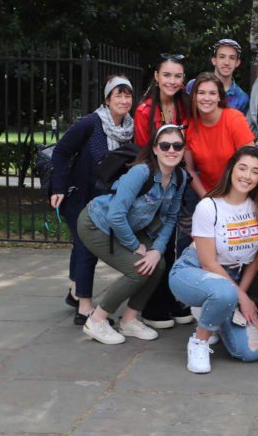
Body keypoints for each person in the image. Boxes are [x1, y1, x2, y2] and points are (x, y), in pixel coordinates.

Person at [75, 124, 188, 344]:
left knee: (157, 264)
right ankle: (97, 320)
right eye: (165, 145)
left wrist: (157, 249)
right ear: (155, 148)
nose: (171, 150)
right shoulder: (141, 172)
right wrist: (136, 246)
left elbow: (171, 218)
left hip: (128, 228)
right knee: (138, 269)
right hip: (96, 224)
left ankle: (128, 321)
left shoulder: (180, 178)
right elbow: (116, 215)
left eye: (178, 145)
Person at [169, 146, 258, 373]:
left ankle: (213, 310)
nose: (247, 176)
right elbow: (208, 262)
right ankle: (199, 341)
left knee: (251, 351)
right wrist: (242, 298)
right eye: (242, 168)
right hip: (193, 271)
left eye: (255, 171)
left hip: (230, 280)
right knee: (223, 292)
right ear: (231, 170)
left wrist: (240, 295)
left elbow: (255, 259)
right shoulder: (209, 206)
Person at [50, 75, 135, 325]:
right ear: (107, 99)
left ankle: (75, 291)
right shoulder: (89, 123)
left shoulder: (128, 128)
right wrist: (58, 187)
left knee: (81, 245)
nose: (123, 99)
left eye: (127, 94)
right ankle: (85, 308)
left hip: (102, 197)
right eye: (117, 94)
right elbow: (61, 153)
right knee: (88, 247)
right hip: (78, 195)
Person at [185, 73, 255, 198]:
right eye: (201, 93)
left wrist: (234, 198)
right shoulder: (188, 126)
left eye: (212, 93)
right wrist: (206, 199)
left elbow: (251, 163)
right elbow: (190, 170)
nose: (206, 98)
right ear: (194, 97)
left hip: (240, 192)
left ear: (219, 97)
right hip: (208, 194)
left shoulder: (234, 119)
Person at [134, 53, 190, 148]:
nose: (172, 81)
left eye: (178, 76)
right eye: (166, 75)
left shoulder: (188, 106)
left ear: (183, 78)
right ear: (156, 76)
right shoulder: (144, 112)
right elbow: (142, 152)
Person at [185, 38, 250, 115]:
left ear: (237, 63)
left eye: (232, 58)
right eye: (222, 57)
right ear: (214, 60)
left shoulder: (242, 98)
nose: (226, 62)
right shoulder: (193, 85)